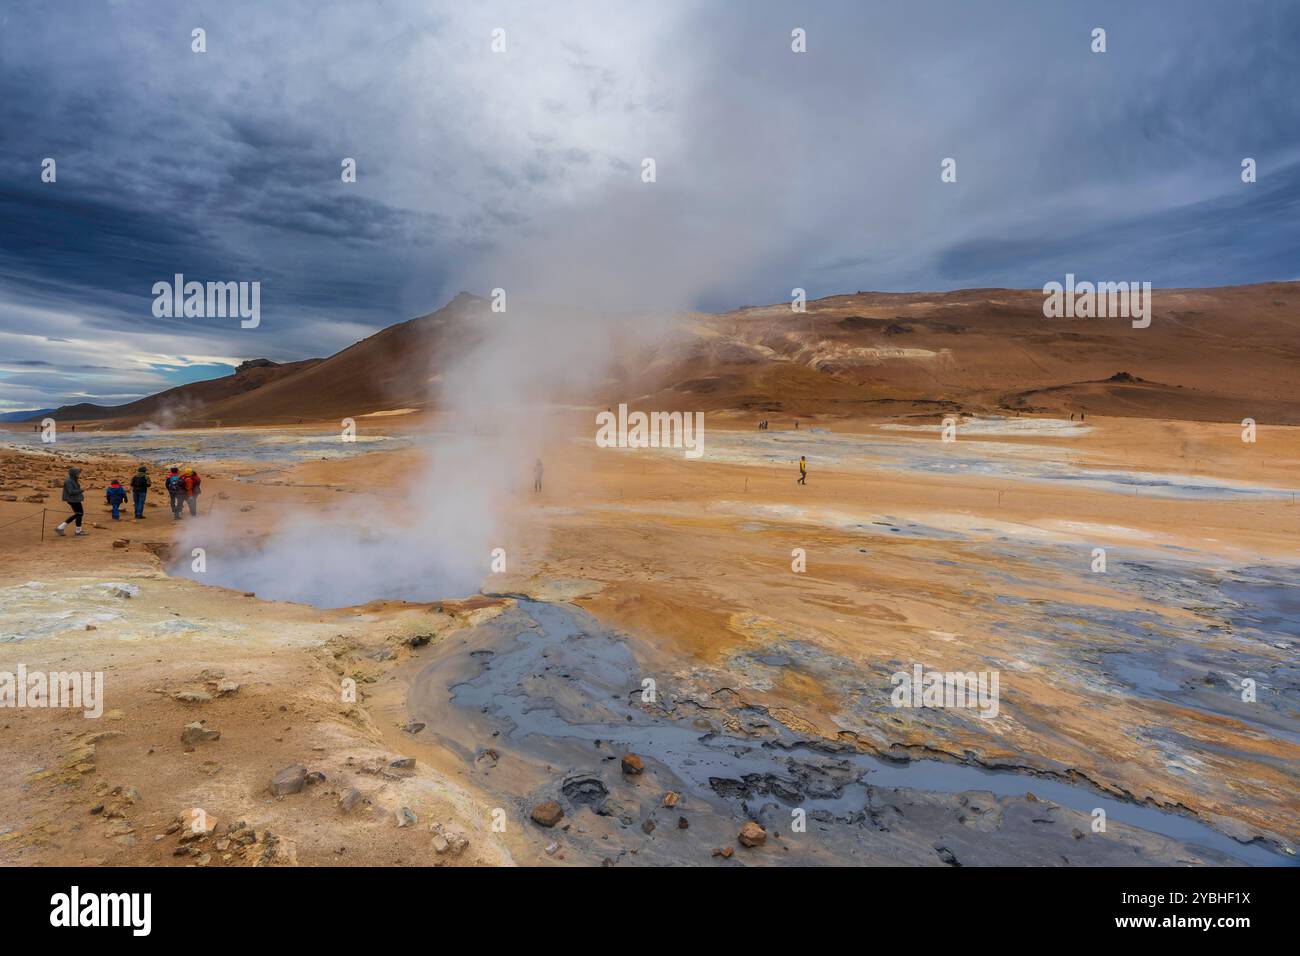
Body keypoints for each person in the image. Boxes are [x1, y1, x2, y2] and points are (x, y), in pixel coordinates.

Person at [55, 467, 87, 536]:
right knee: (79, 514)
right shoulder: (69, 481)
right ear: (74, 474)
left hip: (74, 499)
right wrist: (82, 490)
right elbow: (71, 492)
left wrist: (83, 489)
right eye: (78, 473)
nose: (79, 474)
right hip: (73, 500)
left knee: (78, 514)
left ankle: (61, 527)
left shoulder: (74, 480)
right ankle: (77, 531)